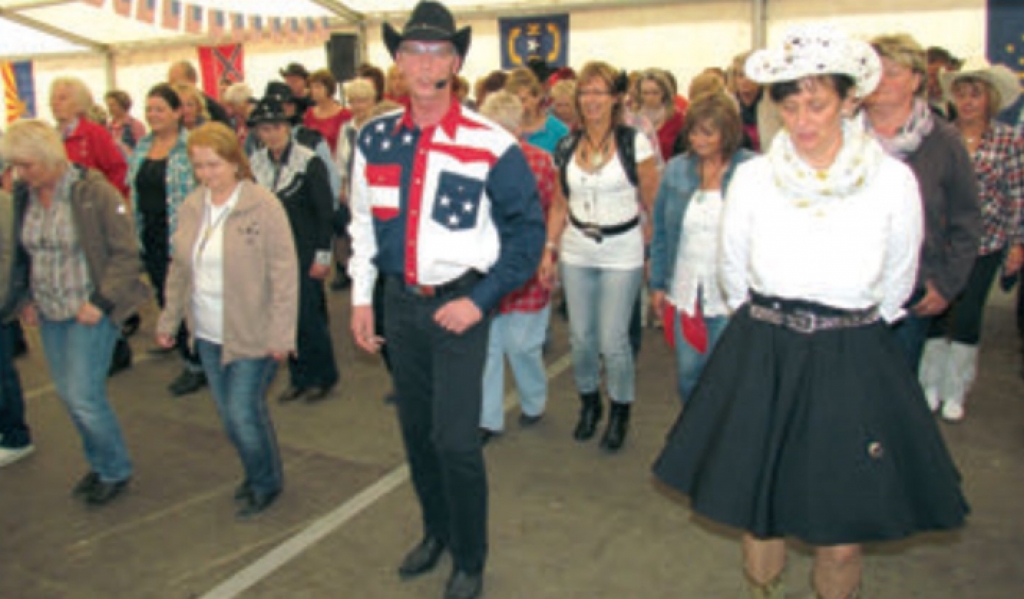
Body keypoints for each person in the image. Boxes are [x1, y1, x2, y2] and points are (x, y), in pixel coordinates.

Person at [652, 25, 968, 599]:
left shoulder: (892, 182)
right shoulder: (753, 180)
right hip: (766, 347)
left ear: (850, 101)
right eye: (790, 103)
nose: (802, 120)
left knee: (841, 527)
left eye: (817, 103)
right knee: (760, 508)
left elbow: (898, 284)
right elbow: (733, 271)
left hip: (852, 354)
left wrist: (842, 320)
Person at [348, 2, 545, 597]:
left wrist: (480, 300)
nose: (424, 61)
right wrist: (362, 299)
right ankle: (436, 530)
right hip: (399, 305)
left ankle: (470, 556)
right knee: (416, 433)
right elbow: (361, 223)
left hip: (460, 305)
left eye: (437, 51)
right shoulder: (374, 137)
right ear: (398, 61)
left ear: (455, 63)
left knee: (456, 441)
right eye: (413, 50)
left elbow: (527, 234)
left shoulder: (490, 142)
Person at [1, 120, 149, 505]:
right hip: (50, 309)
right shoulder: (24, 195)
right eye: (16, 166)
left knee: (83, 395)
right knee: (68, 395)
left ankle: (115, 468)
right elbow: (21, 254)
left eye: (27, 165)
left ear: (50, 157)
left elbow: (125, 252)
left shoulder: (91, 191)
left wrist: (100, 302)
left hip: (91, 309)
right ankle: (99, 461)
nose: (21, 174)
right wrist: (24, 299)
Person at [156, 122, 298, 518]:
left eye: (214, 165)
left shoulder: (263, 205)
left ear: (235, 163)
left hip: (253, 331)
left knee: (241, 411)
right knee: (234, 415)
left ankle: (264, 482)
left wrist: (281, 334)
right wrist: (169, 321)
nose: (206, 175)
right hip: (207, 331)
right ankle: (260, 470)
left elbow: (285, 274)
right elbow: (179, 270)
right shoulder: (191, 207)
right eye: (199, 166)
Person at [550, 61, 661, 451]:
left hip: (623, 249)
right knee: (580, 337)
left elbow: (654, 201)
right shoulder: (566, 145)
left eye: (599, 92)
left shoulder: (635, 143)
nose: (591, 100)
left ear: (616, 99)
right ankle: (588, 404)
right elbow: (560, 202)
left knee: (614, 339)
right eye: (584, 92)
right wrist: (550, 248)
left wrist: (653, 252)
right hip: (577, 248)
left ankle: (619, 412)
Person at [862, 34, 981, 372]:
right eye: (874, 72)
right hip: (848, 288)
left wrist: (946, 284)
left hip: (911, 292)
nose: (881, 81)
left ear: (916, 80)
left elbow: (966, 220)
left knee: (893, 389)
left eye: (893, 72)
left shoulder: (943, 141)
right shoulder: (842, 137)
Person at [918, 59, 1024, 421]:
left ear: (989, 100)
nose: (967, 102)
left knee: (966, 316)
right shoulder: (940, 137)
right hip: (940, 244)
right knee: (934, 312)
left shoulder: (1008, 141)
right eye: (961, 95)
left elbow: (1017, 194)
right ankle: (928, 382)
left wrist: (1017, 243)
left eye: (975, 95)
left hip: (986, 243)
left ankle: (956, 386)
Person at [648, 91, 753, 404]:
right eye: (694, 131)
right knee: (688, 372)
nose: (699, 139)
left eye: (708, 132)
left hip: (732, 295)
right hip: (685, 289)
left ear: (728, 132)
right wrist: (658, 285)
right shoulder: (677, 169)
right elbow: (662, 232)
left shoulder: (751, 171)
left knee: (725, 377)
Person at [477, 91, 561, 441]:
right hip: (486, 265)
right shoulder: (475, 162)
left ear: (518, 129)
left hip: (527, 261)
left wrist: (548, 253)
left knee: (523, 345)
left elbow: (553, 210)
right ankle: (488, 419)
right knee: (488, 347)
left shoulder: (542, 162)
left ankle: (534, 401)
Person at [250, 94, 339, 403]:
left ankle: (323, 376)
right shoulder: (256, 164)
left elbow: (325, 212)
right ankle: (299, 376)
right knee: (284, 317)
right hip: (271, 254)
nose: (271, 134)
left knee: (309, 316)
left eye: (276, 127)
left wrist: (323, 255)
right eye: (264, 129)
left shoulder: (308, 160)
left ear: (287, 127)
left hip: (304, 250)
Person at [128, 84, 206, 396]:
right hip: (152, 235)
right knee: (166, 298)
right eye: (149, 109)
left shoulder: (190, 148)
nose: (153, 115)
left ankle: (200, 362)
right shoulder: (142, 147)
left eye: (160, 109)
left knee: (192, 301)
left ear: (178, 112)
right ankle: (187, 357)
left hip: (184, 236)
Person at [0, 150, 34, 467]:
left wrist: (5, 301)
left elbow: (9, 258)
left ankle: (15, 435)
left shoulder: (3, 205)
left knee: (2, 374)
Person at [332, 77, 378, 292]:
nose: (357, 107)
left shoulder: (379, 127)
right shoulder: (346, 129)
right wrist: (342, 186)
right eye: (353, 101)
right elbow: (341, 160)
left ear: (372, 101)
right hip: (352, 191)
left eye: (362, 101)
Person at [50, 77, 129, 198]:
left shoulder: (95, 134)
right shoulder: (49, 137)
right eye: (53, 98)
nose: (55, 103)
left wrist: (103, 200)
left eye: (62, 98)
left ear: (78, 103)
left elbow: (119, 172)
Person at [504, 67, 569, 155]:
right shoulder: (504, 132)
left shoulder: (559, 131)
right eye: (513, 102)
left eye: (523, 100)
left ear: (537, 97)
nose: (518, 107)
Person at [636, 69, 685, 162]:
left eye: (655, 93)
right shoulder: (633, 120)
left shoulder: (677, 119)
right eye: (645, 93)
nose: (650, 98)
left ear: (664, 93)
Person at [303, 69, 351, 156]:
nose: (314, 91)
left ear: (329, 88)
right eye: (312, 87)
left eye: (318, 87)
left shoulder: (344, 114)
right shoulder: (309, 114)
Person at [167, 60, 231, 125]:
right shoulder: (169, 110)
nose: (173, 88)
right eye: (170, 83)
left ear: (193, 79)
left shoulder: (214, 110)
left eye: (176, 83)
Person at [104, 90, 147, 154]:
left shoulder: (135, 125)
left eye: (113, 105)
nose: (109, 108)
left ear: (122, 105)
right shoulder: (108, 127)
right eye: (108, 105)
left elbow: (142, 150)